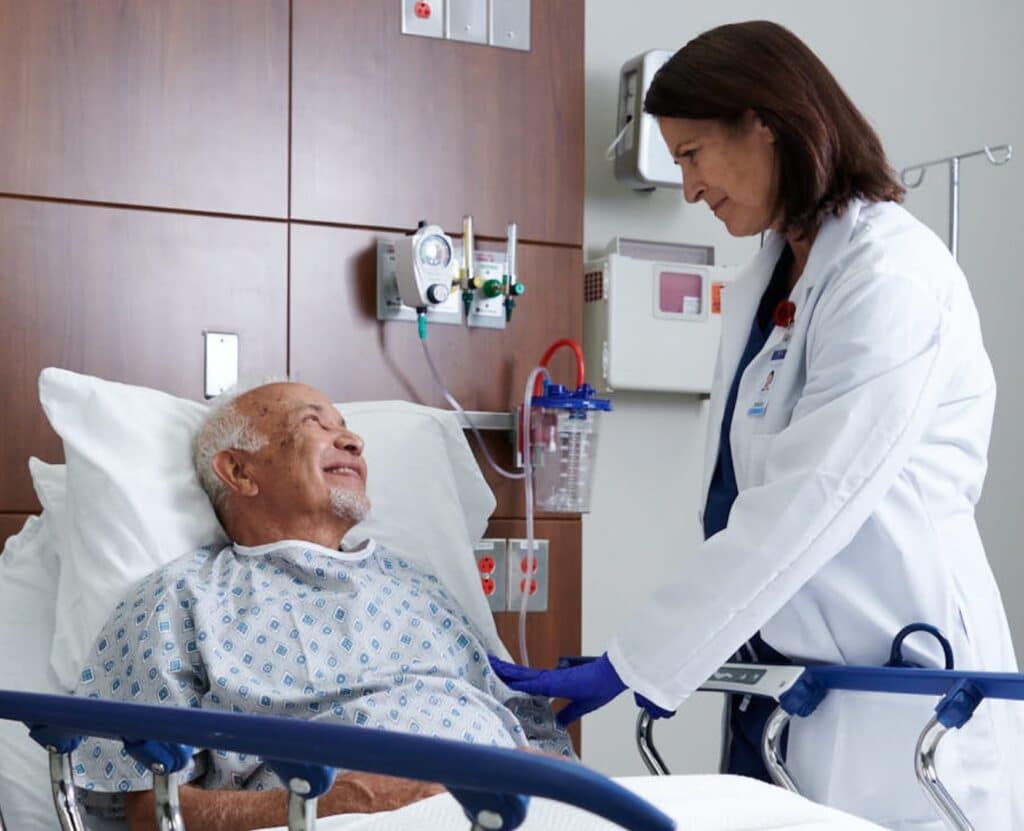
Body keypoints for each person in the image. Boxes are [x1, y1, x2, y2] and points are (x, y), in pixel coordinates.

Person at [491, 20, 1021, 830]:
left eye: (693, 154)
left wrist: (637, 657)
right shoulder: (765, 282)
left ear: (766, 122)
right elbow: (745, 501)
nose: (690, 188)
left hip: (901, 691)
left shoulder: (892, 276)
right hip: (785, 690)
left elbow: (811, 499)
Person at [71, 381, 573, 831]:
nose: (353, 442)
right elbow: (147, 808)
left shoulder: (420, 584)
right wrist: (329, 803)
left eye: (348, 430)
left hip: (518, 804)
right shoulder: (179, 599)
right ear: (240, 471)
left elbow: (531, 729)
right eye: (314, 423)